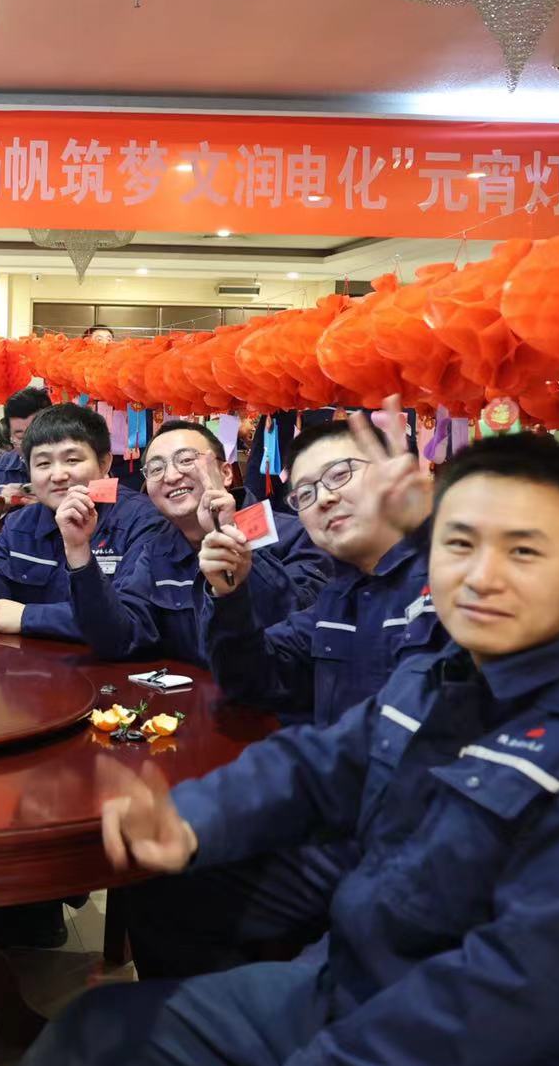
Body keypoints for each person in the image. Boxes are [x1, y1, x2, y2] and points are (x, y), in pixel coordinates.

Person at [0, 432, 559, 1066]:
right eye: (459, 546)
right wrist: (189, 817)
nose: (482, 576)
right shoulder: (441, 672)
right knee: (90, 1037)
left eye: (524, 551)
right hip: (360, 979)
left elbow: (519, 984)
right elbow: (318, 761)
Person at [120, 404, 452, 979]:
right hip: (337, 827)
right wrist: (229, 597)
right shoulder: (342, 596)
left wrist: (431, 526)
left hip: (418, 844)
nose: (325, 498)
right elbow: (253, 677)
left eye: (341, 475)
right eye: (306, 492)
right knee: (157, 881)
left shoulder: (445, 581)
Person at [64, 420, 329, 663]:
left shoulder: (295, 534)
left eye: (186, 460)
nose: (171, 476)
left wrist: (229, 534)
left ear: (226, 473)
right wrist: (78, 551)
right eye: (156, 468)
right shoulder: (157, 550)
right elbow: (120, 639)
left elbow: (300, 632)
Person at [0, 403, 167, 639]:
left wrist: (28, 617)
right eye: (43, 463)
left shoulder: (141, 521)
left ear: (104, 464)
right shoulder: (19, 525)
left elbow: (132, 623)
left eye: (72, 460)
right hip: (25, 661)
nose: (58, 475)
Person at [0, 387, 52, 498]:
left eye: (35, 433)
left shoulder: (66, 466)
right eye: (20, 436)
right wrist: (0, 502)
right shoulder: (1, 465)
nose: (29, 443)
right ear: (10, 436)